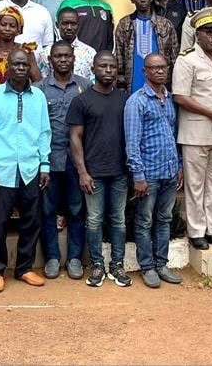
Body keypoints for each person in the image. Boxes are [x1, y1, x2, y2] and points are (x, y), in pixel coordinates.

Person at [0, 49, 51, 293]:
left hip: (31, 168)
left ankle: (24, 268)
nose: (20, 68)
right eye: (16, 64)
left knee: (32, 221)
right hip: (2, 169)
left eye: (24, 64)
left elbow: (44, 133)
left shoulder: (38, 97)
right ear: (7, 66)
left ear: (29, 67)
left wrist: (45, 165)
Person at [67, 51, 131, 287]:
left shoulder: (125, 99)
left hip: (120, 172)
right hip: (92, 174)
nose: (108, 71)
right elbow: (75, 138)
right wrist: (82, 172)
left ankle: (117, 265)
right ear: (93, 69)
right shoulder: (81, 101)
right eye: (103, 66)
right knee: (93, 221)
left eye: (112, 66)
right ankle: (96, 265)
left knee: (118, 221)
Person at [173, 8, 212, 250]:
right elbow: (180, 96)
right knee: (195, 185)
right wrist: (210, 113)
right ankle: (196, 231)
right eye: (209, 31)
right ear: (197, 34)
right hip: (196, 132)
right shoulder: (186, 59)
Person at [124, 53, 183, 288]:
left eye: (163, 67)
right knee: (144, 221)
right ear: (144, 72)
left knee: (164, 219)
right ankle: (147, 267)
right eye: (153, 68)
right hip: (148, 174)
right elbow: (132, 142)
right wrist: (138, 175)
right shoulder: (136, 102)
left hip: (169, 171)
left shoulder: (168, 99)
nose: (160, 71)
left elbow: (172, 135)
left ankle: (161, 263)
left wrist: (178, 165)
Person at [37, 41, 90, 280]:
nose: (63, 60)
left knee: (76, 210)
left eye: (67, 56)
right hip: (48, 160)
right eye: (58, 56)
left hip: (77, 161)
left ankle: (75, 259)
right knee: (47, 210)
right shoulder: (39, 89)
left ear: (73, 59)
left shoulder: (85, 87)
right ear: (50, 59)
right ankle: (52, 258)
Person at [114, 0, 179, 93]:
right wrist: (121, 87)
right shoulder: (124, 24)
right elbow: (119, 58)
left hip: (161, 86)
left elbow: (174, 58)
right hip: (132, 85)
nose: (143, 0)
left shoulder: (165, 24)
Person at [0, 6, 44, 90]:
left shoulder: (25, 51)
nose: (7, 29)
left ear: (19, 30)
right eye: (3, 25)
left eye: (12, 26)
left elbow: (37, 81)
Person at [54, 7, 96, 80]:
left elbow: (93, 81)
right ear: (57, 25)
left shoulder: (90, 53)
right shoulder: (47, 53)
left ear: (78, 25)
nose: (69, 27)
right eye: (65, 23)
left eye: (73, 24)